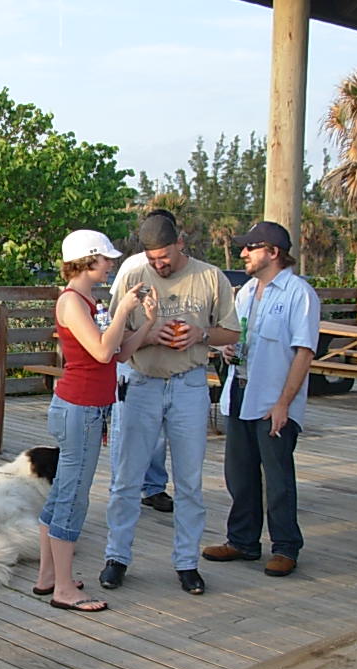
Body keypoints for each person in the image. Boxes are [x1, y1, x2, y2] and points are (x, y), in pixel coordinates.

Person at [100, 213, 239, 595]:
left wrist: (201, 334)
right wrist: (149, 334)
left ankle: (186, 563)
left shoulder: (211, 277)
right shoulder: (133, 276)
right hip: (140, 383)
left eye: (163, 256)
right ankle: (116, 557)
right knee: (126, 479)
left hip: (189, 386)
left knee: (190, 481)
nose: (158, 264)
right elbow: (115, 334)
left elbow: (232, 330)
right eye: (151, 258)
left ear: (180, 242)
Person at [32, 230, 156, 612]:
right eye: (106, 259)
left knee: (61, 494)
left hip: (86, 408)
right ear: (87, 261)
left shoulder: (86, 300)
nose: (111, 264)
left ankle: (49, 576)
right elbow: (103, 352)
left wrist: (146, 325)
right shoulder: (72, 301)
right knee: (72, 496)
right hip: (79, 409)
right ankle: (65, 589)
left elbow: (117, 355)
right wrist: (122, 313)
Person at [201, 222, 319, 578]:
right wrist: (226, 349)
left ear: (273, 251)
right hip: (241, 389)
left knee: (278, 477)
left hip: (274, 398)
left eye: (250, 248)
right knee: (239, 472)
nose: (243, 254)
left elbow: (303, 352)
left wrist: (284, 403)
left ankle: (285, 546)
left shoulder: (300, 294)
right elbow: (238, 336)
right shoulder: (247, 291)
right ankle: (242, 541)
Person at [108, 209, 177, 514]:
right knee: (126, 426)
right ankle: (121, 486)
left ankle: (153, 486)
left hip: (168, 363)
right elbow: (117, 313)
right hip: (134, 361)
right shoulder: (134, 267)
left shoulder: (189, 270)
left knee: (158, 428)